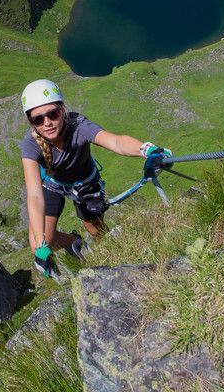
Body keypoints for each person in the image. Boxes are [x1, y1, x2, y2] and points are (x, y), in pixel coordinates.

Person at [19, 79, 170, 277]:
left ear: (62, 110)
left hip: (85, 184)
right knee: (41, 241)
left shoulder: (79, 126)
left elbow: (115, 142)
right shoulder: (30, 144)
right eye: (38, 119)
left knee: (97, 232)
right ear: (31, 122)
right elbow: (34, 195)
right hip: (53, 184)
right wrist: (40, 246)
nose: (47, 123)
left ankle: (115, 255)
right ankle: (73, 242)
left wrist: (148, 149)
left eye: (53, 114)